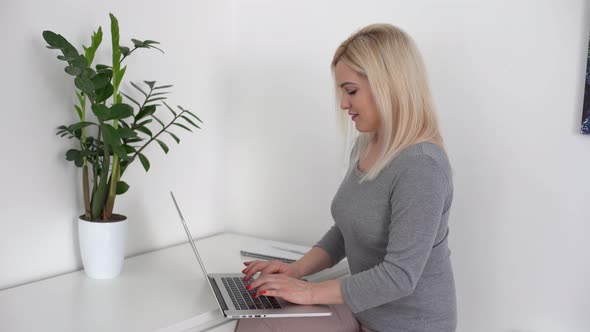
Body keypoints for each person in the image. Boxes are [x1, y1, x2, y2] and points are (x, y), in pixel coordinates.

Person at [236, 23, 456, 332]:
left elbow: (399, 276)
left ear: (389, 85)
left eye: (351, 90)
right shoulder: (367, 145)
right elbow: (346, 230)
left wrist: (309, 291)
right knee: (257, 324)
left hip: (407, 325)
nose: (343, 104)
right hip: (361, 310)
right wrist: (295, 271)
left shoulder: (422, 166)